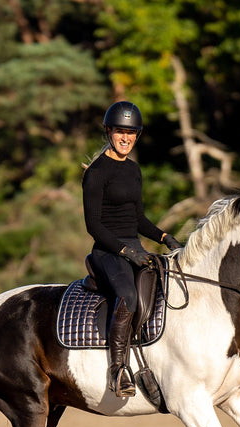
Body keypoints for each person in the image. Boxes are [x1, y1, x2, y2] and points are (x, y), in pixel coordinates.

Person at [82, 101, 182, 398]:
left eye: (131, 133)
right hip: (107, 252)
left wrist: (164, 236)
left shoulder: (134, 170)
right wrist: (125, 252)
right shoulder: (97, 172)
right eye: (120, 131)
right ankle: (117, 370)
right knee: (128, 295)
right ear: (109, 132)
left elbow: (137, 218)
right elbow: (93, 225)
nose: (125, 138)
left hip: (134, 249)